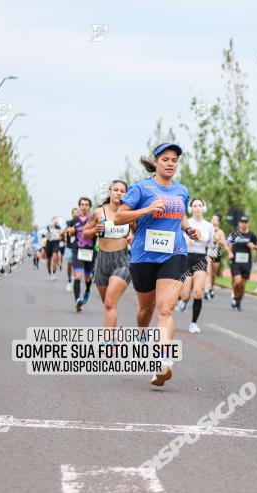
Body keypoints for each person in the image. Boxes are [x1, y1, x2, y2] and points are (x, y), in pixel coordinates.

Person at [113, 143, 200, 387]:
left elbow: (181, 216)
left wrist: (189, 229)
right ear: (157, 162)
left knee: (165, 309)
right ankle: (141, 335)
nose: (171, 163)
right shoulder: (141, 188)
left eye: (174, 159)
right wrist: (148, 209)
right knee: (145, 310)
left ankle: (163, 362)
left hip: (173, 253)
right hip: (143, 256)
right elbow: (119, 216)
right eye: (166, 159)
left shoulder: (182, 191)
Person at [83, 180, 133, 327]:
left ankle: (108, 343)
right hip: (102, 261)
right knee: (108, 304)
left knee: (110, 302)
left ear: (126, 194)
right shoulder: (99, 212)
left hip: (122, 261)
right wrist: (94, 231)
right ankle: (113, 336)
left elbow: (139, 233)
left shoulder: (130, 213)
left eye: (122, 190)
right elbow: (85, 234)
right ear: (109, 192)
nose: (118, 192)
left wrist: (132, 237)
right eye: (115, 189)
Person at [177, 198, 215, 333]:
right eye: (195, 206)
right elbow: (182, 242)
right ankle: (183, 301)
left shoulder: (209, 226)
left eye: (200, 205)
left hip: (200, 259)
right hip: (187, 258)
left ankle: (193, 323)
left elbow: (211, 246)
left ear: (204, 208)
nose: (198, 208)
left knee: (198, 292)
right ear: (190, 209)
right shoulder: (187, 224)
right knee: (185, 294)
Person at [66, 198, 97, 311]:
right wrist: (71, 231)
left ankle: (88, 290)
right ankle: (77, 300)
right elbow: (70, 232)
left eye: (86, 204)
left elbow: (99, 232)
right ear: (79, 206)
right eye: (82, 204)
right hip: (77, 250)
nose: (84, 206)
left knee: (88, 277)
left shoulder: (94, 218)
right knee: (78, 276)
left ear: (90, 207)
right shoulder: (74, 220)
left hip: (90, 251)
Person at [225, 215, 257, 312]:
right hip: (235, 261)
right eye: (242, 222)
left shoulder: (251, 235)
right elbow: (228, 245)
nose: (244, 224)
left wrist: (254, 246)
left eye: (245, 222)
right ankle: (235, 296)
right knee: (237, 281)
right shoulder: (235, 234)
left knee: (243, 285)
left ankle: (238, 301)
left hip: (246, 262)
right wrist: (230, 252)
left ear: (247, 223)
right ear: (239, 223)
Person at [205, 214, 227, 300]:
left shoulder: (220, 232)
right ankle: (207, 289)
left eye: (215, 219)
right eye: (212, 219)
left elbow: (224, 244)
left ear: (218, 222)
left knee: (213, 273)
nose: (214, 221)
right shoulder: (208, 229)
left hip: (216, 253)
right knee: (208, 271)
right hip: (208, 252)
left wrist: (219, 240)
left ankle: (212, 287)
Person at [63, 207, 80, 291]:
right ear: (72, 214)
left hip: (77, 246)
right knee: (69, 265)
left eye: (77, 212)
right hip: (69, 247)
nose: (76, 214)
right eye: (74, 213)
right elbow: (64, 230)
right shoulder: (68, 222)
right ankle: (69, 281)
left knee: (75, 264)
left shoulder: (81, 222)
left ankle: (74, 280)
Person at [44, 216, 64, 281]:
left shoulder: (59, 228)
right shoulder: (49, 227)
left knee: (55, 257)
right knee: (49, 260)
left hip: (56, 244)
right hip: (49, 244)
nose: (56, 221)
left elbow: (61, 237)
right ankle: (49, 272)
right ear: (52, 221)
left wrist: (59, 236)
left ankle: (54, 273)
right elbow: (47, 237)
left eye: (57, 220)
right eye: (55, 220)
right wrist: (52, 235)